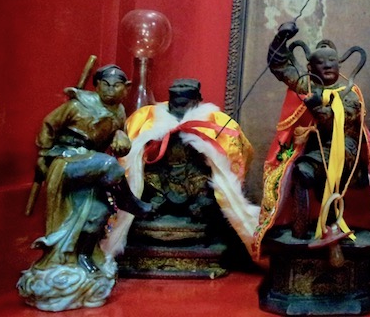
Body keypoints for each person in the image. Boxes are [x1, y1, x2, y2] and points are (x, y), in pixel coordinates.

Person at [252, 22, 370, 261]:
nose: (327, 66)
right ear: (310, 67)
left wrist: (318, 107)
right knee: (299, 172)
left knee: (312, 172)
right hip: (315, 148)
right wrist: (281, 37)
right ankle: (300, 231)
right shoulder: (308, 85)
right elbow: (280, 65)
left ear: (340, 65)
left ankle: (329, 226)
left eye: (332, 62)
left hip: (346, 150)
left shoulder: (350, 93)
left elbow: (340, 123)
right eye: (320, 62)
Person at [101, 78, 260, 259]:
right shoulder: (147, 119)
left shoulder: (216, 122)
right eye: (176, 103)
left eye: (185, 104)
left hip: (193, 173)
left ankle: (199, 211)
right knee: (150, 183)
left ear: (197, 100)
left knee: (204, 188)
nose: (180, 108)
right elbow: (132, 157)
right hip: (160, 172)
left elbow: (233, 156)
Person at [26, 64, 150, 274]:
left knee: (99, 212)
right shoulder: (77, 105)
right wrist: (42, 154)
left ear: (126, 88)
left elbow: (120, 145)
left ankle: (84, 255)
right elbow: (49, 124)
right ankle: (129, 201)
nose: (110, 90)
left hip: (92, 165)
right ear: (97, 85)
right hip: (67, 159)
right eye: (106, 84)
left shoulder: (119, 111)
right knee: (108, 164)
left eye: (117, 85)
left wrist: (121, 137)